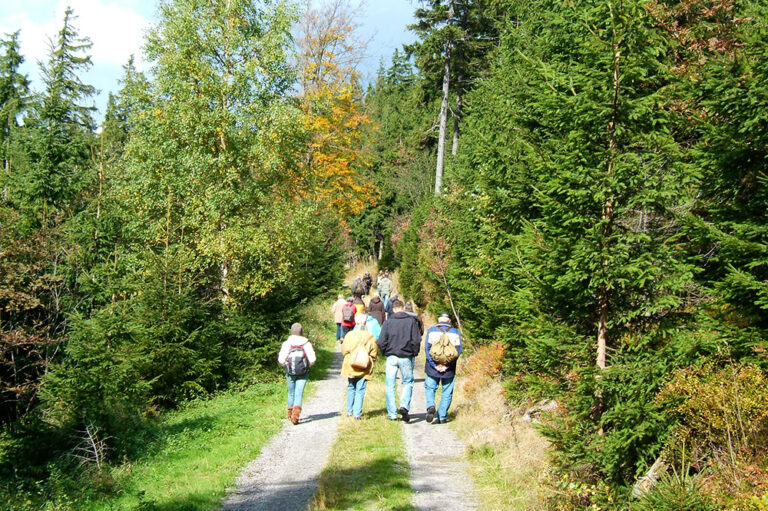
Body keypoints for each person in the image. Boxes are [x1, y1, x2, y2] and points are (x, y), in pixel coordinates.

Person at [377, 299, 421, 422]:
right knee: (408, 382)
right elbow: (416, 340)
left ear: (394, 309)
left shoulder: (388, 322)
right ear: (403, 308)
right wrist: (414, 353)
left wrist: (385, 352)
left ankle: (392, 414)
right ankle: (404, 405)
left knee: (390, 385)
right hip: (406, 356)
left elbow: (381, 341)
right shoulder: (411, 321)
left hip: (391, 356)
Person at [424, 313, 462, 424]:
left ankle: (431, 405)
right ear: (449, 320)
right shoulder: (455, 332)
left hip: (433, 367)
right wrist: (447, 365)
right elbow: (458, 351)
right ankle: (442, 416)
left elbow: (427, 350)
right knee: (447, 391)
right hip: (449, 368)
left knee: (430, 387)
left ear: (439, 319)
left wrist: (434, 365)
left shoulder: (432, 331)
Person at [277, 323, 317, 425]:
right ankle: (295, 417)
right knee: (299, 393)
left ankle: (289, 414)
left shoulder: (287, 343)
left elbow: (281, 360)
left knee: (291, 393)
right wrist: (307, 365)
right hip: (303, 372)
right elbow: (312, 359)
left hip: (290, 372)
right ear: (301, 332)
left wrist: (286, 365)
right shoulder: (306, 344)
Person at [341, 313, 379, 419]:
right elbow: (374, 353)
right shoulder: (370, 336)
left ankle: (349, 411)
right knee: (360, 389)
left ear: (355, 323)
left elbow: (344, 351)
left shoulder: (349, 335)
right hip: (364, 366)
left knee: (351, 387)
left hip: (350, 365)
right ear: (365, 323)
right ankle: (357, 414)